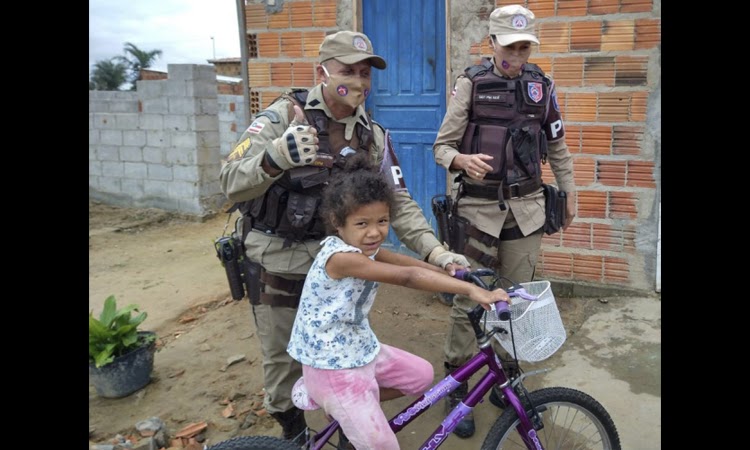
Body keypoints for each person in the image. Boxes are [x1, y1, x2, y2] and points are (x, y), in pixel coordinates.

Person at [218, 30, 471, 444]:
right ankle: (296, 436)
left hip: (339, 274)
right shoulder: (282, 116)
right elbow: (229, 180)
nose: (358, 82)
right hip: (280, 263)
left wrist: (438, 253)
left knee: (343, 357)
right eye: (347, 72)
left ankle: (346, 417)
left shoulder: (372, 135)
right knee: (284, 365)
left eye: (365, 74)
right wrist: (274, 157)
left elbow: (399, 203)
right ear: (322, 71)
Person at [287, 154, 511, 450]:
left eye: (382, 221)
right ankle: (339, 400)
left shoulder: (363, 249)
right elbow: (406, 277)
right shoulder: (341, 258)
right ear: (337, 224)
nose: (375, 232)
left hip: (357, 349)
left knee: (421, 376)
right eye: (362, 223)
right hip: (330, 365)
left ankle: (352, 406)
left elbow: (409, 264)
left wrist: (449, 269)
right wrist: (471, 292)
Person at [431, 4, 577, 438]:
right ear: (492, 43)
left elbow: (559, 147)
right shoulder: (470, 84)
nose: (518, 55)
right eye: (510, 46)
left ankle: (505, 382)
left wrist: (569, 195)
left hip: (527, 210)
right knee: (468, 300)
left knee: (515, 299)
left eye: (525, 46)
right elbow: (441, 146)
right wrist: (459, 159)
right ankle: (456, 385)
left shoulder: (541, 87)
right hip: (477, 211)